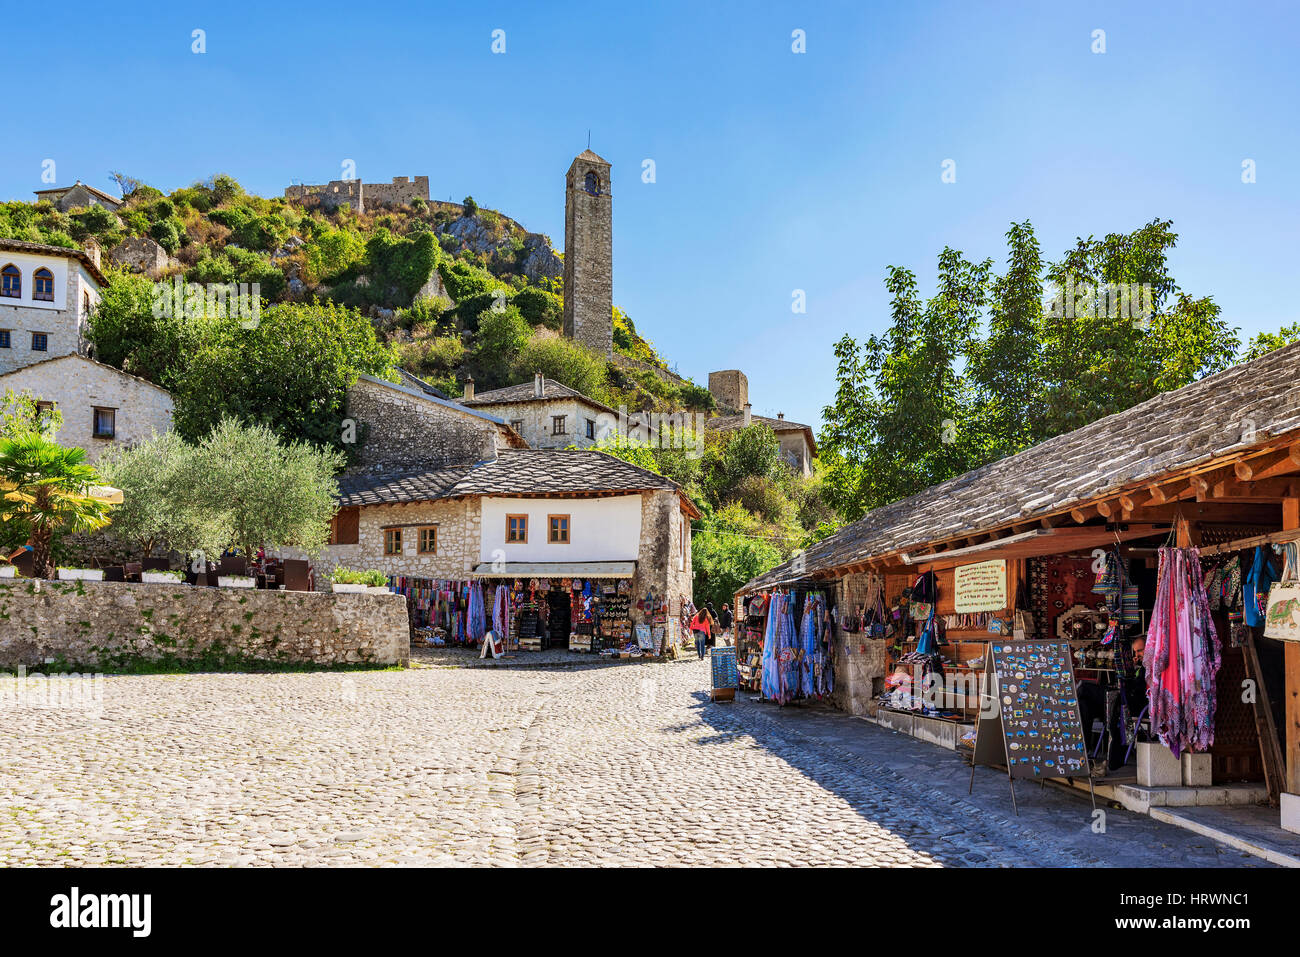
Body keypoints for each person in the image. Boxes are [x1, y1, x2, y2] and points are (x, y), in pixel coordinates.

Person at [1078, 634, 1148, 775]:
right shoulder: (1140, 666)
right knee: (1083, 705)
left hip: (1133, 705)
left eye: (1140, 651)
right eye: (1135, 652)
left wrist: (1130, 673)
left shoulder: (1151, 666)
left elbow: (1137, 689)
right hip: (1119, 702)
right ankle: (1083, 750)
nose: (1137, 655)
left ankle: (1083, 747)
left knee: (1084, 689)